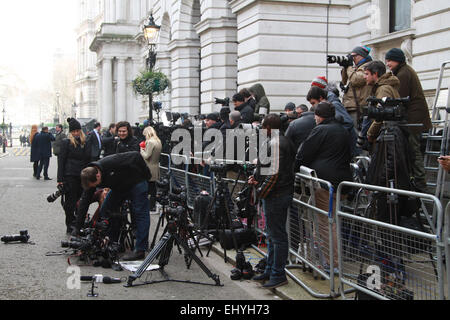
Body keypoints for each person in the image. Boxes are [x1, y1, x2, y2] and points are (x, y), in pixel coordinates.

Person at [295, 102, 353, 270]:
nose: (314, 118)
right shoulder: (342, 129)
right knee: (326, 222)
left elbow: (304, 153)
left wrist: (295, 169)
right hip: (341, 181)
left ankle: (332, 263)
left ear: (319, 116)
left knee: (326, 223)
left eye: (316, 115)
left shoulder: (321, 130)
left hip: (325, 184)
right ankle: (323, 258)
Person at [248, 114, 294, 289]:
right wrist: (257, 179)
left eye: (262, 126)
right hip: (275, 193)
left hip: (276, 194)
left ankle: (278, 274)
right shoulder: (278, 141)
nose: (260, 129)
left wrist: (261, 191)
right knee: (273, 235)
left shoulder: (277, 143)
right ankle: (270, 270)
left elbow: (274, 173)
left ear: (268, 128)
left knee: (277, 236)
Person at [78, 151, 151, 261]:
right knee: (105, 209)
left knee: (140, 214)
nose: (97, 187)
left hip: (137, 182)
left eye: (97, 185)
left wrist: (147, 176)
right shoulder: (90, 176)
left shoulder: (111, 162)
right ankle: (112, 240)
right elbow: (85, 201)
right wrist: (78, 228)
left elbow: (136, 155)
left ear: (98, 175)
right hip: (120, 187)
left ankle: (140, 250)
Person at [385, 48, 432, 192]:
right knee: (413, 150)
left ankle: (420, 182)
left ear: (398, 60)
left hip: (413, 120)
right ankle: (418, 180)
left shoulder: (404, 74)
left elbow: (400, 98)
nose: (387, 64)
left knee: (413, 150)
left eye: (390, 60)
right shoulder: (404, 71)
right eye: (386, 60)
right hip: (414, 118)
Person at [58, 118, 90, 234]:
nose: (76, 133)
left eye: (77, 131)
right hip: (70, 175)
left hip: (82, 176)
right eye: (74, 131)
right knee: (70, 202)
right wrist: (60, 179)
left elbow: (88, 159)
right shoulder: (66, 143)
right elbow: (61, 161)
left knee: (81, 201)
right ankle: (70, 223)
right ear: (70, 132)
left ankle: (79, 223)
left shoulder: (85, 142)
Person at [308, 81, 358, 156]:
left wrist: (334, 134)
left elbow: (348, 122)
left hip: (350, 147)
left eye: (313, 103)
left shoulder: (334, 104)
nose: (313, 106)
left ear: (321, 98)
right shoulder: (330, 104)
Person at [364, 60, 401, 143]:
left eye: (367, 74)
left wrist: (370, 134)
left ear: (375, 74)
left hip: (387, 134)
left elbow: (381, 115)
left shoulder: (383, 89)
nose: (364, 77)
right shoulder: (383, 87)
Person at [341, 46, 374, 125]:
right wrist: (345, 67)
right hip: (351, 105)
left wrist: (349, 66)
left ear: (361, 56)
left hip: (357, 106)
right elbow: (344, 81)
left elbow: (356, 80)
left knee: (356, 132)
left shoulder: (367, 67)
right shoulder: (356, 67)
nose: (352, 58)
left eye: (354, 56)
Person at [140, 126, 162, 212]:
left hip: (149, 167)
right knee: (153, 188)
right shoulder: (158, 141)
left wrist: (141, 150)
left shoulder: (150, 142)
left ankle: (149, 206)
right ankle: (152, 206)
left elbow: (146, 155)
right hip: (155, 166)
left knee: (148, 188)